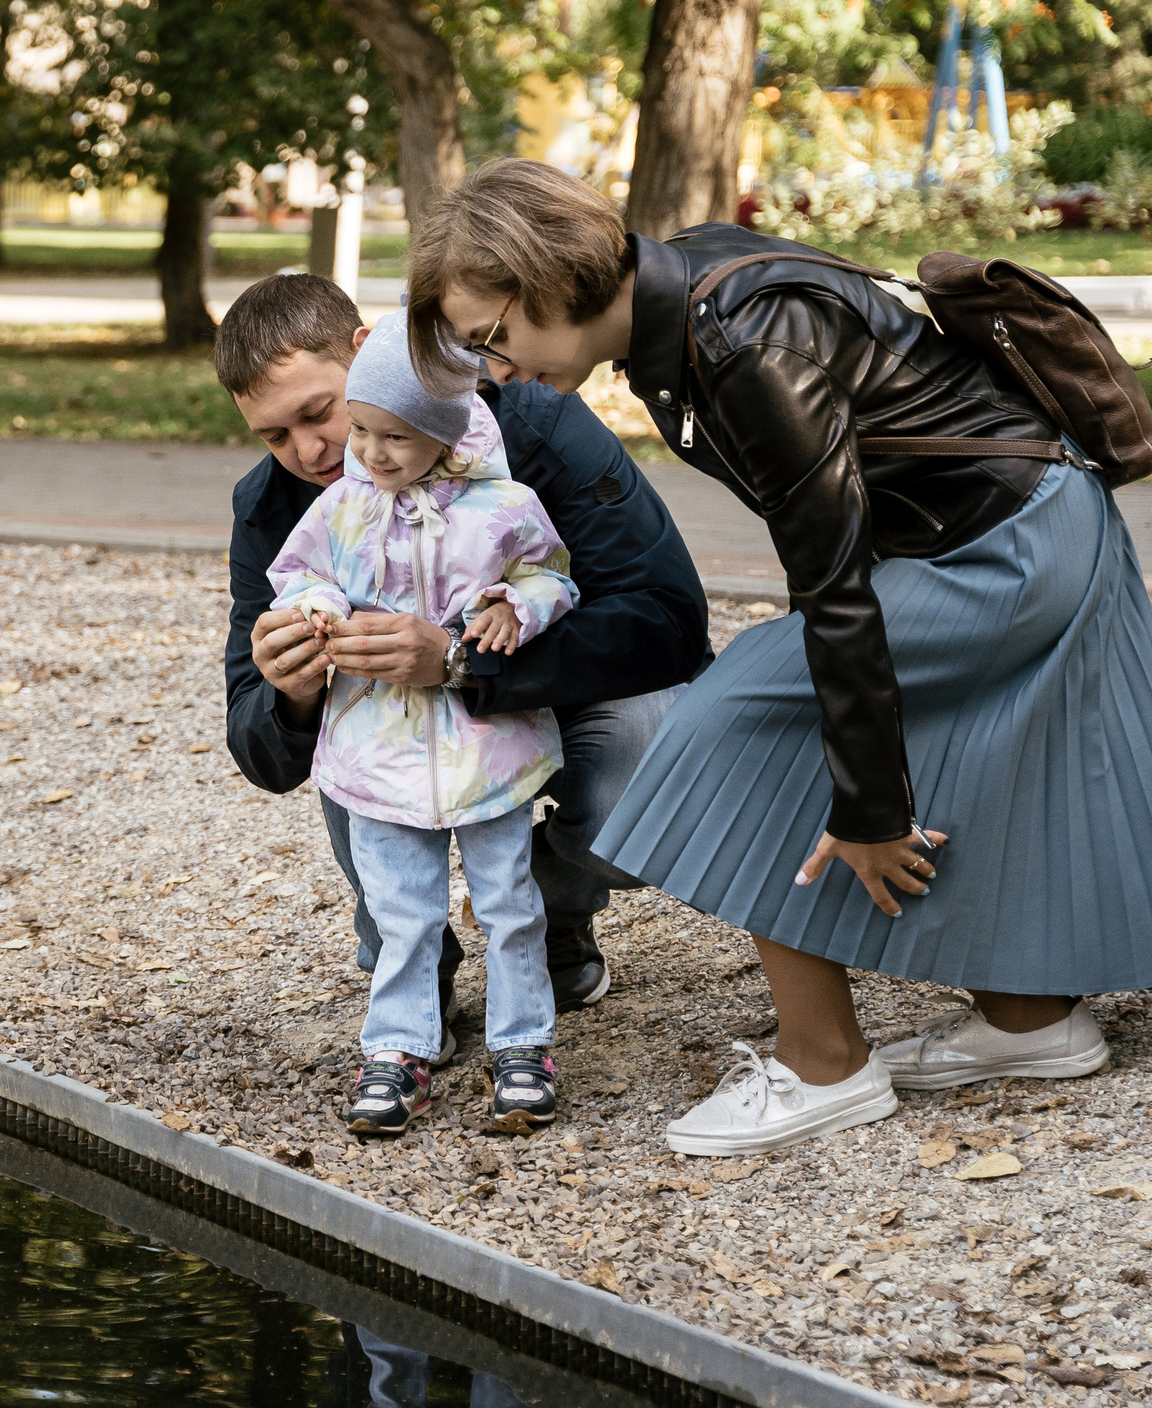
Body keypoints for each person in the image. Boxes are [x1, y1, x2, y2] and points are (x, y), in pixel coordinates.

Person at [405, 157, 1147, 1156]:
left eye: (493, 336)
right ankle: (1030, 1019)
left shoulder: (747, 344)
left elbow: (834, 588)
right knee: (930, 731)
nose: (493, 368)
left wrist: (870, 810)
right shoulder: (688, 286)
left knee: (729, 722)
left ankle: (823, 1064)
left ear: (555, 277)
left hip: (1003, 550)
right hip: (1020, 523)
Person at [219, 272, 710, 1051]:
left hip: (568, 701)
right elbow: (261, 747)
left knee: (650, 754)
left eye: (318, 413)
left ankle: (547, 912)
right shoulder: (278, 506)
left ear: (367, 349)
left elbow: (670, 622)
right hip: (399, 740)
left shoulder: (535, 427)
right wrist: (291, 697)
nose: (307, 451)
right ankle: (413, 964)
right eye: (274, 435)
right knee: (352, 735)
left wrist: (461, 660)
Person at [270, 316, 579, 1135]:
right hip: (379, 744)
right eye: (361, 428)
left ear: (443, 431)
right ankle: (399, 1047)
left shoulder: (504, 507)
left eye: (394, 437)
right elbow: (301, 572)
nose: (370, 452)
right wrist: (316, 607)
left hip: (487, 743)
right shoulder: (343, 506)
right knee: (401, 908)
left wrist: (518, 605)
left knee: (509, 901)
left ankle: (524, 1043)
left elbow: (551, 575)